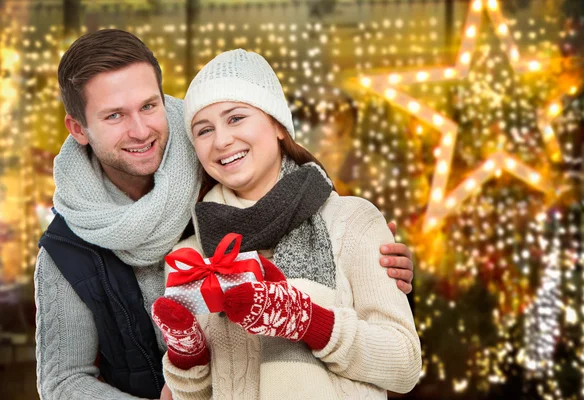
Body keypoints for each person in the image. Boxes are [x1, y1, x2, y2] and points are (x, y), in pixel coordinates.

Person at [35, 29, 416, 399]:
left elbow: (398, 355)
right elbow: (66, 381)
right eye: (114, 115)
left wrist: (377, 262)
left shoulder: (228, 176)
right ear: (78, 129)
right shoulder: (84, 250)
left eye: (149, 106)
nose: (140, 130)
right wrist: (188, 356)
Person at [151, 49, 421, 400]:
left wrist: (305, 319)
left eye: (236, 118)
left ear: (277, 124)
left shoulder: (353, 222)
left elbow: (404, 365)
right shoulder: (192, 258)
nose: (221, 141)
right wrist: (189, 356)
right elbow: (194, 396)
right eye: (204, 130)